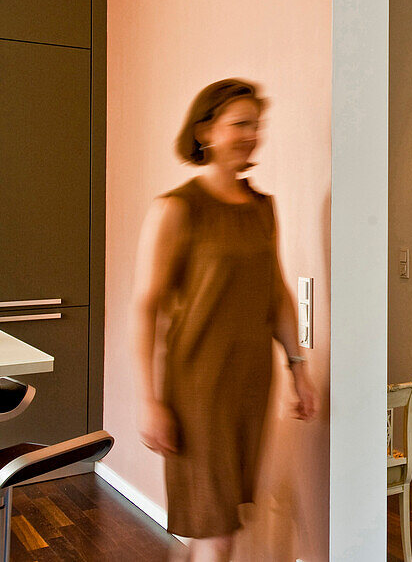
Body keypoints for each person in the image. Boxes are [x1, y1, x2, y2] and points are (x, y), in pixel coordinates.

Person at [132, 79, 317, 562]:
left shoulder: (262, 207)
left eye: (256, 125)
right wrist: (150, 400)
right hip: (197, 389)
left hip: (251, 384)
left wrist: (299, 369)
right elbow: (145, 307)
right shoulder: (176, 209)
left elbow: (276, 295)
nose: (251, 135)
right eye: (240, 124)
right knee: (217, 528)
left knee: (223, 520)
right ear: (205, 130)